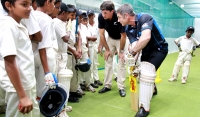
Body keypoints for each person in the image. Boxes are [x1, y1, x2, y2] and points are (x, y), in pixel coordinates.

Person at [117, 4, 168, 117]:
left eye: (119, 17)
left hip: (159, 49)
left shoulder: (144, 18)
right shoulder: (128, 28)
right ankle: (153, 88)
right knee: (141, 73)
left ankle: (144, 108)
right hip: (146, 50)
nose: (118, 20)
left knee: (146, 71)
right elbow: (135, 45)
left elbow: (145, 37)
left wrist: (132, 53)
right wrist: (132, 62)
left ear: (126, 16)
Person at [0, 0, 40, 116]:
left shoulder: (18, 25)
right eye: (24, 4)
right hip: (19, 87)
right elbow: (9, 63)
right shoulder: (7, 25)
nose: (30, 8)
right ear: (9, 5)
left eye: (30, 4)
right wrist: (22, 96)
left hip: (26, 83)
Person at [98, 1, 127, 97]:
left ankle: (121, 87)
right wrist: (106, 49)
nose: (103, 15)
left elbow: (123, 36)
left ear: (112, 11)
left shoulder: (119, 17)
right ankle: (107, 85)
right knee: (108, 61)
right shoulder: (101, 17)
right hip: (110, 38)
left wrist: (121, 51)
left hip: (121, 39)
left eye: (105, 12)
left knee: (122, 62)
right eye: (102, 12)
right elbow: (101, 34)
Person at [86, 9, 103, 87]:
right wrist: (91, 38)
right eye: (89, 15)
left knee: (95, 63)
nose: (90, 17)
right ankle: (91, 81)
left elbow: (98, 37)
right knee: (90, 64)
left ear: (94, 16)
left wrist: (100, 46)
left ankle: (96, 79)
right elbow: (88, 37)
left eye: (91, 15)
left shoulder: (97, 25)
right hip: (89, 46)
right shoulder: (86, 25)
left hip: (95, 46)